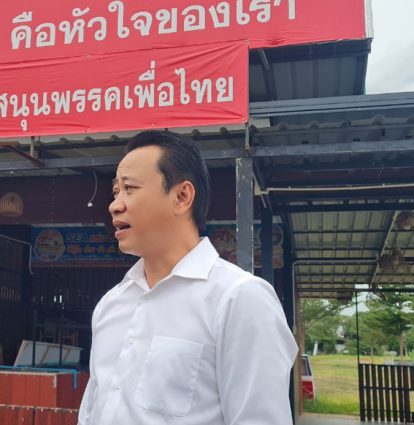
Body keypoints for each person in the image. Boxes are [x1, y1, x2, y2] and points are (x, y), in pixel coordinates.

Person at [78, 130, 298, 425]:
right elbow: (91, 411)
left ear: (182, 197)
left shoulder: (239, 299)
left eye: (130, 188)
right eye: (116, 192)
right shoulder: (111, 305)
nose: (115, 205)